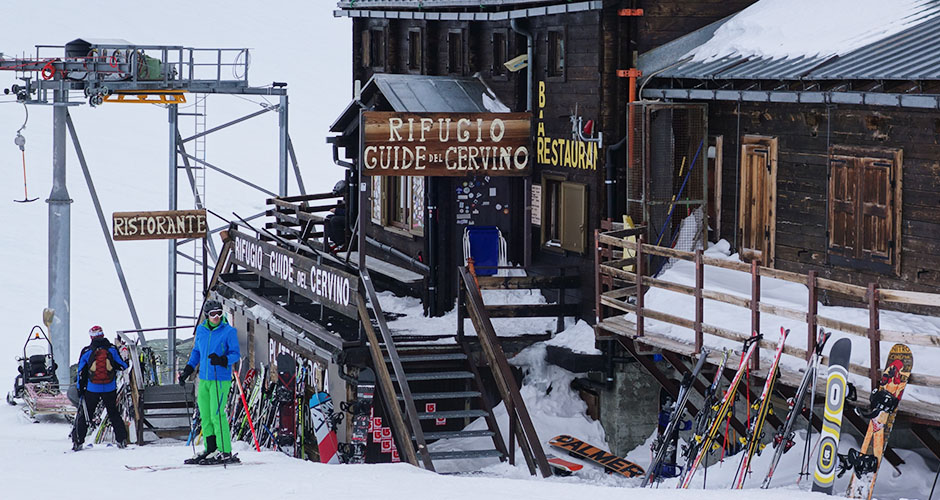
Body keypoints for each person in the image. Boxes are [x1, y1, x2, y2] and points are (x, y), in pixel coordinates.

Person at [178, 300, 241, 464]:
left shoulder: (229, 331)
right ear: (207, 315)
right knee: (205, 415)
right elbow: (197, 351)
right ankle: (211, 448)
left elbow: (236, 354)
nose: (217, 317)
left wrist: (222, 360)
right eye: (213, 314)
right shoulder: (201, 330)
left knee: (217, 414)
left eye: (219, 313)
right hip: (204, 378)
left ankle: (225, 450)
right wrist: (188, 370)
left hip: (220, 379)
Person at [72, 325, 129, 451]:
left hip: (92, 388)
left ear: (91, 337)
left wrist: (80, 389)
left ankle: (78, 441)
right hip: (110, 388)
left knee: (86, 414)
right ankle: (122, 440)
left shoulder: (87, 351)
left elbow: (81, 372)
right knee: (113, 413)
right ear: (103, 335)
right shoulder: (112, 349)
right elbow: (122, 365)